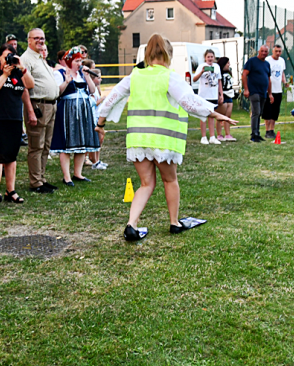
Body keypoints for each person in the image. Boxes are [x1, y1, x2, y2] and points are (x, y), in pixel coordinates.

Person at [96, 33, 238, 241]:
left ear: (146, 54)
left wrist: (100, 125)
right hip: (163, 141)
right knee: (169, 180)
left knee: (146, 183)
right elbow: (189, 101)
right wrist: (215, 114)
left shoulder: (134, 76)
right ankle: (174, 222)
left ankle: (131, 224)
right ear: (168, 54)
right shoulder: (169, 76)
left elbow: (111, 99)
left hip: (138, 140)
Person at [0, 44, 35, 206]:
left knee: (11, 156)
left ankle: (10, 191)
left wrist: (21, 67)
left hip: (14, 119)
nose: (8, 60)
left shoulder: (18, 72)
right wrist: (4, 75)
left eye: (11, 57)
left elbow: (30, 85)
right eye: (6, 56)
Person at [50, 47, 100, 186]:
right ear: (70, 61)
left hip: (83, 111)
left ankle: (78, 173)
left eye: (80, 60)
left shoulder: (82, 74)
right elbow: (57, 93)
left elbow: (91, 90)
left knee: (81, 143)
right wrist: (66, 81)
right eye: (77, 61)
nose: (79, 63)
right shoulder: (60, 73)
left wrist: (88, 77)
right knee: (66, 144)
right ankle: (67, 177)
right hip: (67, 110)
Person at [20, 28, 60, 193]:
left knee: (46, 145)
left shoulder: (39, 57)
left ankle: (41, 178)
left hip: (50, 105)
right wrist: (30, 111)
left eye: (42, 38)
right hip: (38, 105)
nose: (40, 41)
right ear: (29, 40)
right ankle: (35, 182)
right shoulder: (26, 59)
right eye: (36, 38)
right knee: (36, 145)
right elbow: (24, 88)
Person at [242, 45, 273, 142]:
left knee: (259, 113)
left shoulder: (267, 64)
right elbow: (244, 74)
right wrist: (246, 89)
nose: (264, 53)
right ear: (258, 51)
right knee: (256, 112)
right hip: (253, 91)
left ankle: (257, 132)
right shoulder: (252, 61)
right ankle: (254, 134)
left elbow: (268, 79)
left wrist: (270, 93)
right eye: (262, 51)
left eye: (266, 51)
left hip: (263, 92)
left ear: (268, 53)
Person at [192, 49, 222, 145]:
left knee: (212, 116)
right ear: (205, 58)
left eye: (211, 57)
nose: (210, 58)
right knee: (203, 115)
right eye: (208, 57)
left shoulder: (217, 67)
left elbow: (219, 81)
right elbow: (194, 79)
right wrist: (202, 71)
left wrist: (220, 94)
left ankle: (212, 137)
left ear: (214, 58)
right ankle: (204, 136)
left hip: (213, 95)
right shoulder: (201, 66)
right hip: (203, 95)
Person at [264, 44, 286, 139]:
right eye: (276, 51)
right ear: (272, 51)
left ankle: (272, 129)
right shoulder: (268, 60)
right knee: (268, 110)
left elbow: (282, 73)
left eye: (279, 51)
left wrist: (285, 82)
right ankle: (267, 130)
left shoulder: (282, 61)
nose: (278, 53)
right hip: (269, 89)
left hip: (278, 90)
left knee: (275, 111)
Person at [88, 68, 108, 169]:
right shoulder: (90, 90)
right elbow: (92, 104)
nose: (100, 80)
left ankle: (97, 160)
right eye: (98, 78)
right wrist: (102, 100)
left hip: (98, 116)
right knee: (97, 139)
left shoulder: (96, 89)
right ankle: (94, 161)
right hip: (93, 117)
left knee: (100, 139)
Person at [215, 57, 236, 141]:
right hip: (223, 95)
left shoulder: (228, 73)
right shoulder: (219, 74)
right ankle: (219, 134)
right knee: (221, 116)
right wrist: (220, 95)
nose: (229, 64)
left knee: (228, 116)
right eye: (227, 63)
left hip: (230, 96)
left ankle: (228, 134)